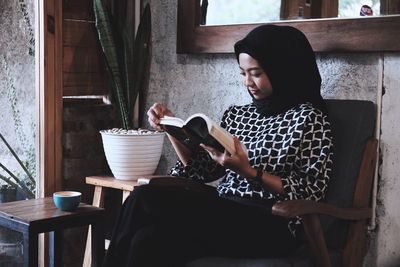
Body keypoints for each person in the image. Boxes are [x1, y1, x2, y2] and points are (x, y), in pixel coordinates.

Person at [102, 24, 333, 267]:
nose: (248, 82)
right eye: (243, 73)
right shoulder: (238, 115)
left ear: (282, 70)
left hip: (272, 222)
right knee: (145, 240)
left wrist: (251, 173)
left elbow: (311, 190)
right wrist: (171, 128)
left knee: (145, 197)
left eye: (256, 73)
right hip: (225, 211)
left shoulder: (310, 119)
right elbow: (200, 171)